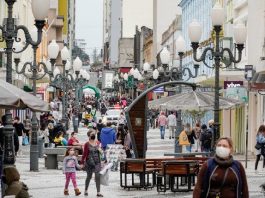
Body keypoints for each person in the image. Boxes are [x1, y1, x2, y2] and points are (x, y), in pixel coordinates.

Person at [81, 129, 103, 197]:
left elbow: (101, 152)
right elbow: (84, 154)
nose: (93, 135)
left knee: (97, 177)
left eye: (94, 134)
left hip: (97, 162)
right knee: (89, 176)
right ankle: (86, 190)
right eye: (92, 134)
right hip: (89, 162)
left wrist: (100, 151)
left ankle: (98, 192)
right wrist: (82, 163)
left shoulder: (98, 143)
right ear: (89, 136)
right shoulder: (87, 144)